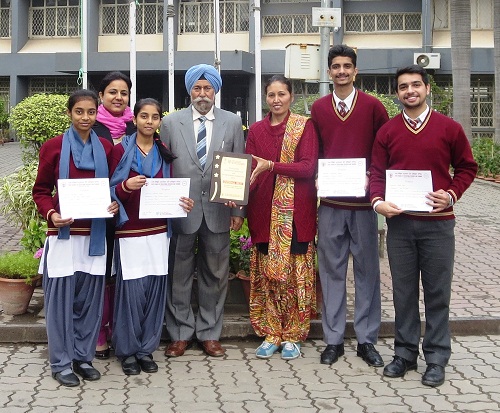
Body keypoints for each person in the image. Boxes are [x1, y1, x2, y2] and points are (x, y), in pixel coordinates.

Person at [370, 65, 477, 387]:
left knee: (437, 293)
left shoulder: (449, 128)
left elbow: (467, 168)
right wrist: (378, 202)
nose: (410, 91)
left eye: (416, 85)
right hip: (401, 226)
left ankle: (436, 358)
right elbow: (377, 173)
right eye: (403, 87)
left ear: (427, 89)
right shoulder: (387, 131)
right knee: (403, 293)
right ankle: (404, 354)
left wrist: (452, 194)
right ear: (397, 93)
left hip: (438, 226)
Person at [32, 90, 118, 387]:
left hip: (94, 235)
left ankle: (83, 357)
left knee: (90, 302)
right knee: (59, 303)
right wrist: (51, 213)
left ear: (97, 114)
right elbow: (41, 191)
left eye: (91, 112)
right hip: (63, 235)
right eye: (79, 111)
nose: (85, 117)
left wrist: (114, 202)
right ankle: (60, 362)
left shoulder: (105, 147)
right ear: (69, 113)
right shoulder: (53, 147)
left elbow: (112, 187)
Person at [310, 44, 389, 367]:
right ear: (329, 72)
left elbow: (384, 149)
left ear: (355, 71)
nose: (341, 71)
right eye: (336, 66)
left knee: (367, 272)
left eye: (347, 66)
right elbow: (315, 150)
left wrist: (374, 176)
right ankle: (333, 340)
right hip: (330, 203)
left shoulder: (373, 107)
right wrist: (317, 175)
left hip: (364, 205)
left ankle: (367, 340)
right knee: (331, 272)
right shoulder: (318, 108)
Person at [160, 64, 245, 358]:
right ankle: (180, 334)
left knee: (216, 274)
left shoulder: (232, 122)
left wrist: (238, 211)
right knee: (178, 274)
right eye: (197, 88)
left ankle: (210, 333)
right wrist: (166, 203)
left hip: (219, 210)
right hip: (181, 210)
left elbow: (238, 164)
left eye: (208, 88)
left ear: (215, 90)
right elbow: (164, 167)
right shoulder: (171, 123)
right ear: (189, 91)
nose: (202, 93)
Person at [109, 98, 193, 375]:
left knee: (154, 293)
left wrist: (183, 203)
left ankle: (146, 349)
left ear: (159, 121)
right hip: (129, 231)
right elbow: (107, 190)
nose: (149, 121)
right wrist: (125, 186)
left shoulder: (164, 151)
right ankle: (127, 351)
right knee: (130, 294)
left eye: (154, 117)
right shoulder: (120, 150)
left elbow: (171, 188)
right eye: (143, 116)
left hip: (158, 231)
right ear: (134, 119)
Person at [245, 75, 318, 360]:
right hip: (263, 211)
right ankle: (272, 332)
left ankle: (293, 335)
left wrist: (272, 166)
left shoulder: (303, 126)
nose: (276, 100)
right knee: (269, 277)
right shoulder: (256, 130)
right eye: (271, 95)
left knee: (294, 277)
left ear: (291, 96)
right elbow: (248, 172)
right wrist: (235, 194)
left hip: (296, 214)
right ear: (266, 98)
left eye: (282, 94)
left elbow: (308, 167)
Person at [92, 71, 136, 360]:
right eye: (112, 92)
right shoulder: (91, 126)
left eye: (124, 93)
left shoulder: (137, 126)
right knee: (101, 271)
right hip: (100, 212)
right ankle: (99, 331)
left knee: (125, 272)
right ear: (101, 96)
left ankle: (122, 330)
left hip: (132, 212)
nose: (118, 97)